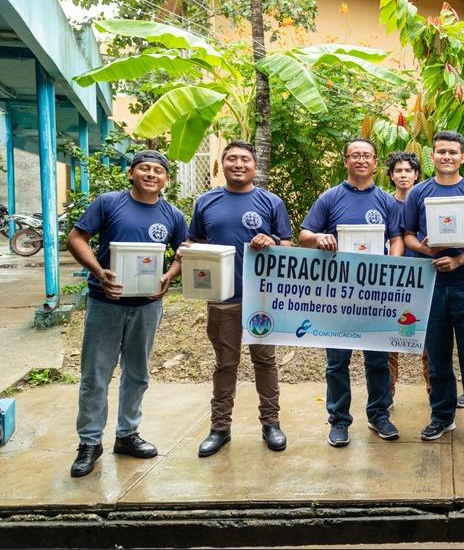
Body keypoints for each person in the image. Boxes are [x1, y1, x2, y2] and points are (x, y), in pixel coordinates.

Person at [67, 150, 187, 477]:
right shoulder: (109, 203)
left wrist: (169, 276)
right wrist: (97, 271)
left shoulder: (173, 215)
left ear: (166, 179)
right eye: (144, 168)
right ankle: (89, 443)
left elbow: (183, 252)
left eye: (158, 170)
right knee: (96, 375)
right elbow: (76, 238)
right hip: (106, 303)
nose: (151, 174)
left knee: (137, 373)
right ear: (131, 173)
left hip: (147, 306)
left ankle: (127, 434)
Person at [188, 140, 293, 457]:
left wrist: (271, 240)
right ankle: (220, 428)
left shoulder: (271, 201)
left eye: (244, 159)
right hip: (222, 299)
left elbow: (287, 246)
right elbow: (194, 243)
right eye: (231, 159)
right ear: (221, 165)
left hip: (262, 299)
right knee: (225, 364)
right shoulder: (205, 202)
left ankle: (271, 424)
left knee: (265, 361)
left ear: (254, 166)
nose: (238, 164)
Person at [299, 139, 403, 447]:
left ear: (375, 162)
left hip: (375, 295)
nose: (361, 160)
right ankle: (339, 421)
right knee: (337, 363)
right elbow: (303, 236)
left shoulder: (386, 201)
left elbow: (397, 239)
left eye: (366, 156)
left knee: (378, 360)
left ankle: (379, 415)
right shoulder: (330, 198)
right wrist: (320, 238)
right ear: (345, 161)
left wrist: (393, 263)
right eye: (355, 155)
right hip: (338, 297)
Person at [402, 130, 464, 447]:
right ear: (433, 155)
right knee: (438, 359)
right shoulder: (419, 193)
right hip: (431, 287)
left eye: (452, 152)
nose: (446, 157)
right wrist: (426, 250)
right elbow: (407, 236)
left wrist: (458, 262)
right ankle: (441, 417)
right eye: (441, 151)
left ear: (463, 157)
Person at [384, 151, 431, 399]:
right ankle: (388, 390)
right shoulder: (384, 203)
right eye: (398, 171)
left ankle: (434, 390)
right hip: (392, 280)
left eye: (408, 170)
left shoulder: (425, 201)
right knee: (390, 336)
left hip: (424, 277)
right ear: (391, 176)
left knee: (429, 339)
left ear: (416, 174)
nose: (403, 175)